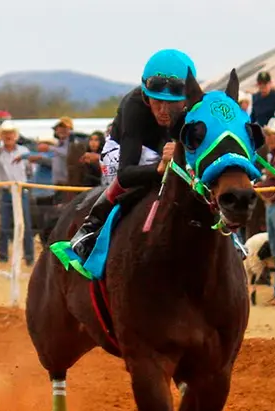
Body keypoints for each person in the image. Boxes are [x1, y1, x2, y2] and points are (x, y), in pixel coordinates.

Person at [68, 48, 194, 260]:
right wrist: (159, 168)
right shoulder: (133, 105)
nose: (164, 110)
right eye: (157, 101)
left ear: (187, 99)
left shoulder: (195, 106)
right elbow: (126, 173)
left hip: (164, 148)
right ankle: (91, 228)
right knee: (140, 181)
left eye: (172, 103)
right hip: (123, 151)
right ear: (146, 96)